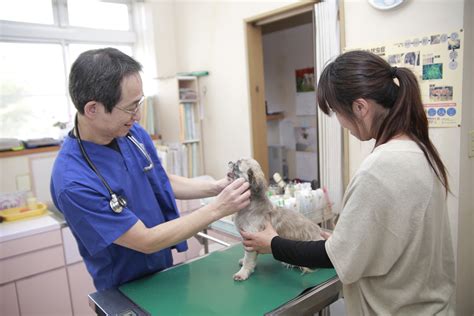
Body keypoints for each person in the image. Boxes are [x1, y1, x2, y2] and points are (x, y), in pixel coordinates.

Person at [241, 50, 455, 315]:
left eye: (336, 112)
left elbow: (333, 257)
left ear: (360, 107)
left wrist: (272, 244)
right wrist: (347, 238)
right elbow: (400, 237)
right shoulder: (419, 149)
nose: (342, 124)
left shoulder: (379, 168)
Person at [50, 48, 250, 291]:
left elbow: (158, 179)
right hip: (124, 288)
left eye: (140, 103)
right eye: (130, 107)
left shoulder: (131, 134)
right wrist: (218, 208)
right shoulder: (72, 182)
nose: (138, 115)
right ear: (92, 109)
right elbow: (145, 240)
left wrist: (214, 187)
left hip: (164, 270)